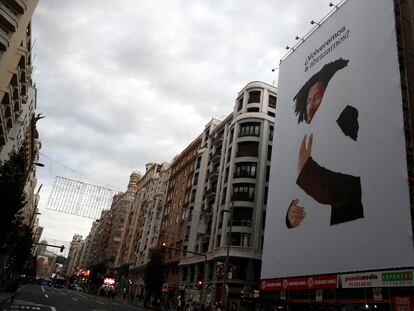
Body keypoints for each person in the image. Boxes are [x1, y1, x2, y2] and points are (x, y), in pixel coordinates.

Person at [287, 57, 364, 227]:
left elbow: (355, 183)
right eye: (308, 100)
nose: (311, 105)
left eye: (318, 97)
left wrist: (308, 172)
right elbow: (294, 202)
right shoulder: (304, 141)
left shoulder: (349, 121)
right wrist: (290, 217)